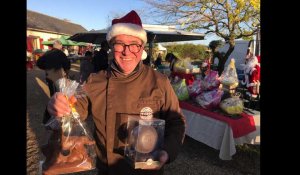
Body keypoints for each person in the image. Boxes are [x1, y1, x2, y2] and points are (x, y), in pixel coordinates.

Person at [46, 10, 186, 175]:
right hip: (108, 170)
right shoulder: (95, 81)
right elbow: (75, 111)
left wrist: (167, 151)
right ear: (111, 47)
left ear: (142, 48)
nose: (127, 52)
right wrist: (59, 105)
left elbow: (176, 121)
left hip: (147, 169)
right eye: (119, 44)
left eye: (134, 44)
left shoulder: (159, 81)